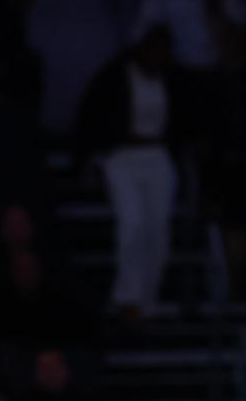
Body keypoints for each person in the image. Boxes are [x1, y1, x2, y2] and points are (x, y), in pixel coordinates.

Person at [75, 25, 186, 321]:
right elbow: (90, 114)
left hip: (158, 156)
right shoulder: (115, 76)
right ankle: (127, 297)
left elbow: (184, 121)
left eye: (164, 53)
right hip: (121, 156)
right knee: (132, 222)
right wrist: (90, 158)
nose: (158, 58)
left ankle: (149, 297)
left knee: (158, 228)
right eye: (154, 51)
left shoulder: (173, 80)